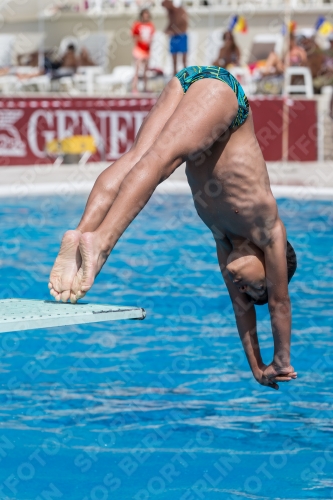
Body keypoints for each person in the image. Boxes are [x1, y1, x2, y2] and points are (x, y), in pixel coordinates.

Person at [49, 65, 297, 390]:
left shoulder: (224, 240)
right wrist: (281, 360)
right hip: (224, 96)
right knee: (160, 160)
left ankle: (82, 237)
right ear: (269, 268)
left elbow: (242, 312)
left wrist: (257, 367)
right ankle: (101, 245)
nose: (244, 290)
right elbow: (279, 303)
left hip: (188, 81)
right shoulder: (269, 231)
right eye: (255, 288)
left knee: (139, 158)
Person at [131, 9, 155, 93]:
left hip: (147, 51)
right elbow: (134, 36)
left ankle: (145, 87)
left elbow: (152, 37)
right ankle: (134, 87)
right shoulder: (137, 24)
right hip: (139, 49)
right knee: (137, 69)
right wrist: (142, 40)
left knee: (146, 70)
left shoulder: (150, 25)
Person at [162, 0, 188, 75]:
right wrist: (166, 30)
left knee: (184, 60)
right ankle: (175, 74)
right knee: (174, 59)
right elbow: (170, 24)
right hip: (173, 37)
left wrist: (173, 32)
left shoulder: (181, 10)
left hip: (182, 37)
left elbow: (184, 26)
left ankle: (185, 75)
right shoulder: (169, 13)